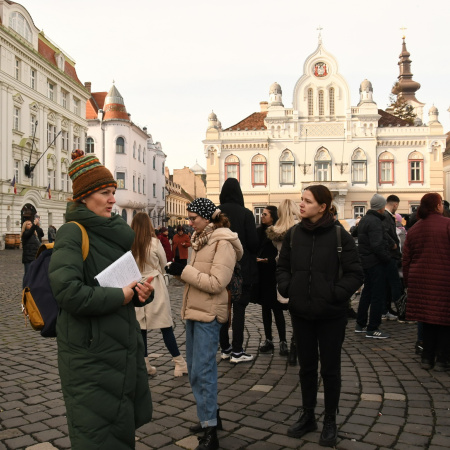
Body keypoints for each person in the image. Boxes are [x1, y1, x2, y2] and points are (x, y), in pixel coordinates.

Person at [48, 151, 154, 449]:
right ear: (84, 197)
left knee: (120, 431)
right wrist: (122, 296)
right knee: (97, 436)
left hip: (120, 348)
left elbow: (123, 282)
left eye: (113, 193)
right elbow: (68, 293)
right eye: (105, 193)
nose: (112, 199)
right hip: (91, 356)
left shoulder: (111, 233)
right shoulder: (72, 233)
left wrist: (141, 293)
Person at [277, 185, 363, 447]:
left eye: (307, 201)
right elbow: (282, 266)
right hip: (301, 313)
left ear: (322, 206)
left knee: (330, 370)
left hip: (331, 316)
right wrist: (287, 287)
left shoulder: (340, 236)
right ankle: (308, 415)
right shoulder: (293, 234)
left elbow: (355, 273)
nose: (301, 205)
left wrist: (335, 294)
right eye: (301, 200)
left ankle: (329, 420)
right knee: (306, 368)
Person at [165, 198, 243, 450]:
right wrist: (177, 270)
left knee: (204, 371)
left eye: (193, 218)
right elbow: (195, 277)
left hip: (209, 314)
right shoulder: (202, 238)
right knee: (195, 370)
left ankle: (211, 431)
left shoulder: (223, 243)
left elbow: (216, 283)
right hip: (193, 311)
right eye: (189, 218)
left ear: (208, 217)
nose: (189, 223)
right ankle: (211, 416)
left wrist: (184, 271)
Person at [131, 212, 188, 377]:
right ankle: (179, 363)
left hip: (137, 286)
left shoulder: (129, 243)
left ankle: (145, 363)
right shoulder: (155, 243)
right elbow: (164, 265)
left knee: (141, 328)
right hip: (154, 284)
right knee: (165, 326)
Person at [402, 193, 450, 371]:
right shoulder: (447, 225)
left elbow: (406, 259)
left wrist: (408, 282)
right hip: (444, 281)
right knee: (445, 321)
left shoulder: (414, 229)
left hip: (420, 281)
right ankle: (443, 360)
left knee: (427, 321)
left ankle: (427, 358)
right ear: (438, 205)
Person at [218, 177, 259, 363]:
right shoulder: (245, 214)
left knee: (223, 308)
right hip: (243, 268)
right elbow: (253, 243)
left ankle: (225, 348)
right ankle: (237, 350)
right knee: (239, 309)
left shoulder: (216, 213)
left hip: (220, 267)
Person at [266, 199, 301, 365]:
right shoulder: (301, 228)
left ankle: (293, 346)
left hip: (283, 273)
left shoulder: (276, 231)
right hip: (301, 273)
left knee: (291, 311)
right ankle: (297, 344)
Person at [355, 194, 392, 339]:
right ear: (381, 207)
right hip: (376, 262)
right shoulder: (375, 221)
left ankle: (360, 323)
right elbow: (377, 245)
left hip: (366, 261)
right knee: (377, 295)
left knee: (367, 293)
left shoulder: (364, 219)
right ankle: (373, 327)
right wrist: (387, 258)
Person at [255, 205, 289, 357]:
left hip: (273, 274)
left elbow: (281, 255)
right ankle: (268, 339)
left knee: (277, 309)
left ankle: (283, 341)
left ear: (273, 216)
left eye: (265, 214)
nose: (262, 216)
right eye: (262, 214)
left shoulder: (278, 232)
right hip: (262, 275)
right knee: (265, 309)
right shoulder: (259, 231)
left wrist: (267, 260)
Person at [382, 195, 403, 321]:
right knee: (394, 285)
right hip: (391, 255)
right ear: (395, 204)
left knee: (389, 285)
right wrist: (393, 244)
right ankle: (401, 309)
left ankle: (387, 309)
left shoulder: (386, 215)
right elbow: (384, 232)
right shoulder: (386, 216)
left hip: (391, 255)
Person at [21, 216, 44, 287]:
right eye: (28, 224)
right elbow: (29, 232)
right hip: (28, 257)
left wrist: (37, 225)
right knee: (27, 274)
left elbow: (41, 233)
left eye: (31, 224)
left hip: (35, 256)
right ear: (25, 226)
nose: (30, 225)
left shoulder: (34, 235)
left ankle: (31, 289)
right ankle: (25, 289)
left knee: (34, 274)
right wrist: (34, 224)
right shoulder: (25, 234)